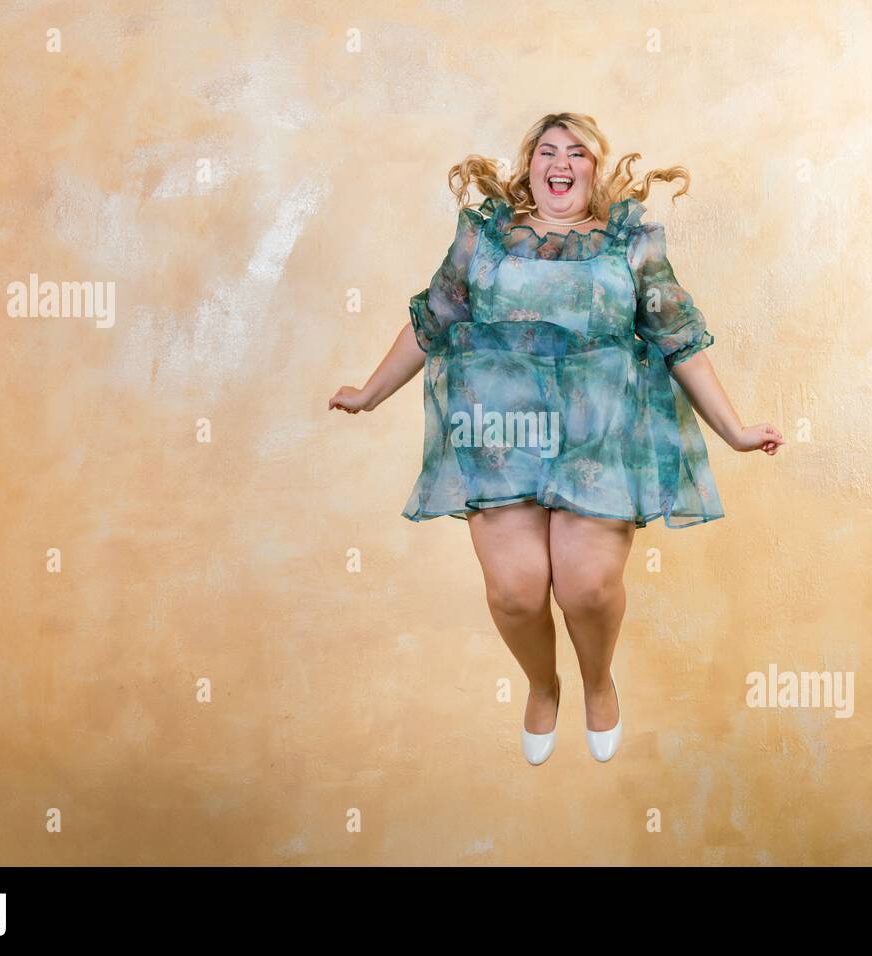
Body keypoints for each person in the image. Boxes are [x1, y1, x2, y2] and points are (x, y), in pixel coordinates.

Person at [330, 112, 783, 766]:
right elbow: (433, 319)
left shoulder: (631, 244)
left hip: (598, 437)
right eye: (548, 151)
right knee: (515, 591)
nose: (560, 162)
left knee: (586, 588)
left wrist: (737, 431)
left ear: (594, 173)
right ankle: (544, 687)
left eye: (577, 153)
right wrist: (370, 394)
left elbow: (679, 341)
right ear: (530, 166)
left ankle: (598, 682)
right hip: (498, 436)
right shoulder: (484, 239)